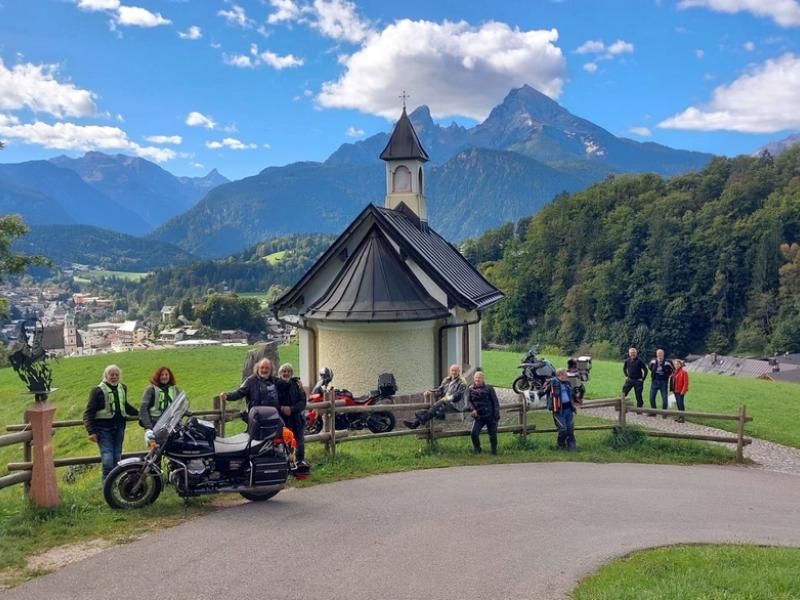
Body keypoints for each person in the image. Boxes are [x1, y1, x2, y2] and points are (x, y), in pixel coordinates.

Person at [83, 364, 138, 481]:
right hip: (103, 430)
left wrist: (140, 414)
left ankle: (115, 485)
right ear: (106, 376)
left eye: (116, 375)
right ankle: (107, 488)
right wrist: (91, 432)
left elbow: (125, 406)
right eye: (111, 375)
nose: (114, 377)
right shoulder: (97, 391)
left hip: (119, 428)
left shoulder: (122, 388)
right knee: (107, 459)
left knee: (117, 457)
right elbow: (89, 413)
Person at [403, 364, 467, 429]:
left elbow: (458, 396)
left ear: (459, 371)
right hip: (445, 402)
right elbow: (440, 390)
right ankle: (416, 423)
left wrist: (446, 399)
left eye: (456, 371)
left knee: (436, 407)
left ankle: (417, 421)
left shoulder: (462, 381)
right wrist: (431, 392)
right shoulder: (447, 379)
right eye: (452, 370)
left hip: (457, 404)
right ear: (449, 371)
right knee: (434, 408)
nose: (454, 372)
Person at [275, 362, 308, 463]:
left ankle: (300, 463)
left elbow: (303, 402)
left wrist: (292, 409)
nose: (286, 373)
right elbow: (272, 401)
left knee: (299, 442)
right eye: (284, 371)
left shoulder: (297, 385)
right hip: (283, 420)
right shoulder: (275, 385)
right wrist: (281, 408)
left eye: (289, 371)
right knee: (286, 442)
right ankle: (287, 465)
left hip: (297, 418)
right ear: (280, 373)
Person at [465, 370, 500, 455]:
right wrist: (472, 409)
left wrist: (496, 415)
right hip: (479, 417)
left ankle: (494, 451)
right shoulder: (470, 388)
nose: (478, 379)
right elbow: (468, 402)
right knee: (474, 433)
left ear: (483, 379)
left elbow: (495, 402)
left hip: (490, 415)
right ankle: (477, 450)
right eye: (476, 378)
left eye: (479, 378)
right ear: (474, 378)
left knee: (493, 435)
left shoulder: (489, 388)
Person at [139, 366, 182, 431]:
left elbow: (179, 404)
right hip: (155, 424)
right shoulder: (151, 389)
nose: (164, 377)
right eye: (161, 375)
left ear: (170, 376)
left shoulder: (174, 389)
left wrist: (185, 412)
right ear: (157, 376)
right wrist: (148, 426)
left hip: (171, 424)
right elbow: (143, 409)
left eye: (166, 375)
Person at [546, 368, 577, 451]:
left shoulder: (568, 383)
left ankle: (572, 448)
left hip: (569, 409)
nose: (567, 375)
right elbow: (543, 390)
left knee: (570, 429)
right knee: (563, 430)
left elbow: (573, 394)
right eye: (565, 374)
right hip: (558, 410)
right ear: (560, 375)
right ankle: (560, 446)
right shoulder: (553, 382)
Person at [648, 349, 674, 418]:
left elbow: (672, 369)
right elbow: (649, 367)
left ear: (663, 354)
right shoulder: (653, 361)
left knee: (664, 398)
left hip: (663, 381)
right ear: (656, 354)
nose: (659, 355)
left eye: (661, 353)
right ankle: (654, 412)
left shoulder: (668, 362)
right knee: (651, 397)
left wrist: (667, 375)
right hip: (655, 381)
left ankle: (664, 413)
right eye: (658, 354)